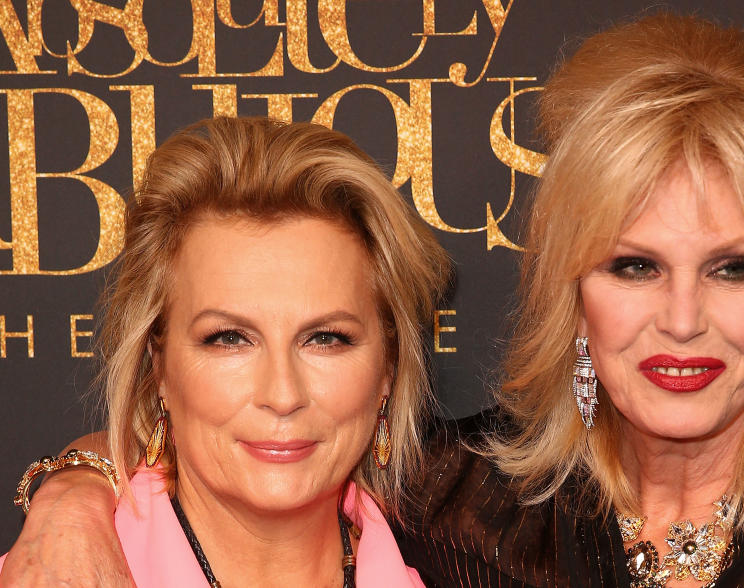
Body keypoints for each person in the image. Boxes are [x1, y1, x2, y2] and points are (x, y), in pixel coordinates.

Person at [1, 13, 744, 588]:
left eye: (734, 269)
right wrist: (71, 502)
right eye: (632, 266)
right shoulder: (455, 497)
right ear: (570, 291)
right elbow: (243, 444)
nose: (682, 320)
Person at [0, 117, 449, 587]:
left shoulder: (457, 566)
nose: (282, 394)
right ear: (160, 368)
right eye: (229, 338)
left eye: (326, 338)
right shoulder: (45, 572)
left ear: (387, 371)